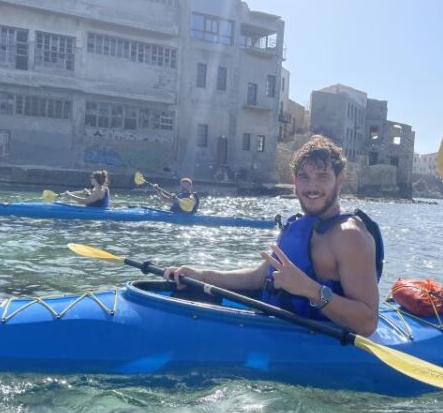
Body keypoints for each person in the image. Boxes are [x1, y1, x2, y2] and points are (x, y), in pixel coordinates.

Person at [162, 135, 382, 336]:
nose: (311, 187)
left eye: (322, 176)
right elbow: (259, 278)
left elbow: (367, 323)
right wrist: (201, 275)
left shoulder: (350, 236)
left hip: (317, 345)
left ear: (340, 179)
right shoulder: (299, 226)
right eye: (304, 177)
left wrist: (310, 290)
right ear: (295, 181)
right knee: (190, 295)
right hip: (279, 327)